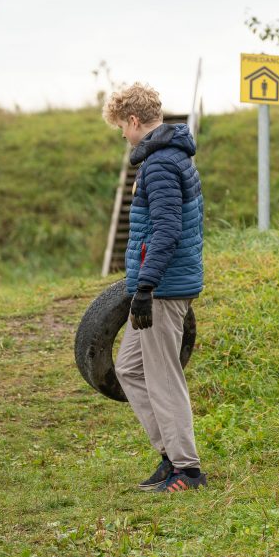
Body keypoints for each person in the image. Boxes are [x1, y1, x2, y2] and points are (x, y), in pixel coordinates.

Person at [102, 83, 206, 493]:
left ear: (133, 120)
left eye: (121, 128)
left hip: (162, 288)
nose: (123, 137)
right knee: (129, 367)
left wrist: (145, 287)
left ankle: (187, 470)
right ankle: (170, 454)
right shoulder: (169, 156)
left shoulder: (161, 163)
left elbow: (166, 229)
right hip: (161, 284)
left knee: (163, 377)